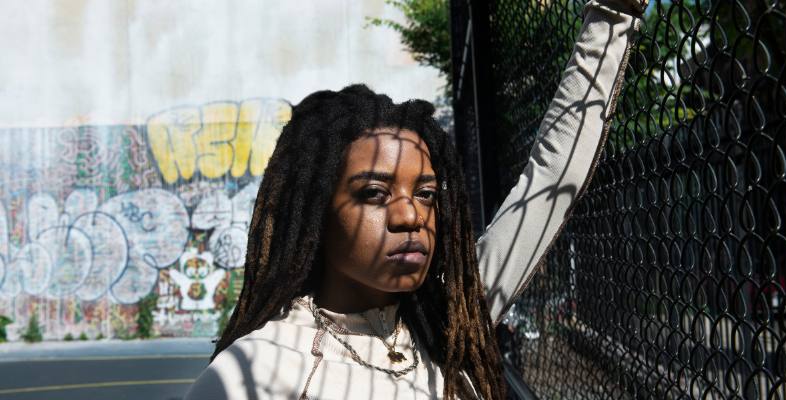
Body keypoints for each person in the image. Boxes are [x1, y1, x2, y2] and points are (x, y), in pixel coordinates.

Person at [185, 0, 646, 398]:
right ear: (315, 215)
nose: (411, 216)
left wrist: (612, 16)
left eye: (426, 194)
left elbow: (549, 180)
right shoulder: (253, 370)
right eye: (373, 193)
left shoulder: (454, 316)